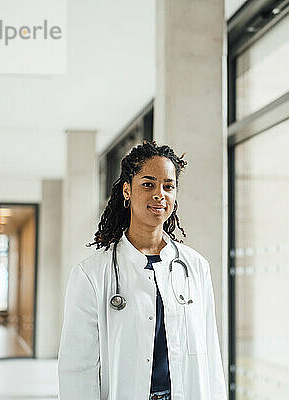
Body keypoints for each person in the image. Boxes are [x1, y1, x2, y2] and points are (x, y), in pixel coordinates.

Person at [58, 140, 227, 400]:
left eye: (168, 186)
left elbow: (210, 353)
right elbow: (77, 367)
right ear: (127, 190)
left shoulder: (195, 267)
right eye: (148, 184)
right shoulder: (91, 274)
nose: (160, 194)